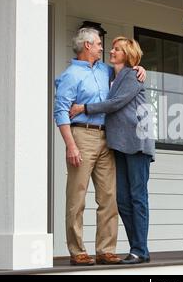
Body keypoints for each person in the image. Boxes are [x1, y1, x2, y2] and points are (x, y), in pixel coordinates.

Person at [54, 28, 146, 266]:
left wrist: (139, 67)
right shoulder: (71, 75)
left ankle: (105, 249)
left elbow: (125, 76)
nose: (102, 48)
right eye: (97, 44)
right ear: (87, 46)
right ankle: (77, 251)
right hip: (81, 136)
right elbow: (61, 112)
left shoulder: (106, 70)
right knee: (77, 196)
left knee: (109, 197)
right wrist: (70, 145)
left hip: (108, 139)